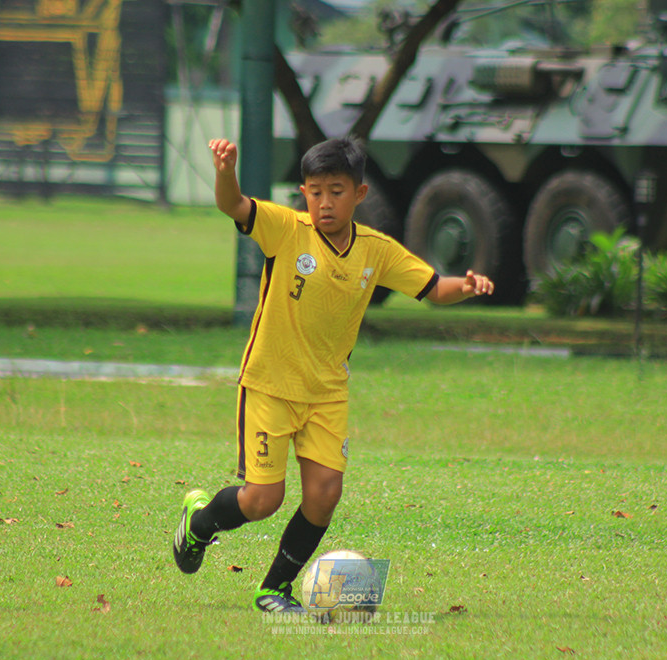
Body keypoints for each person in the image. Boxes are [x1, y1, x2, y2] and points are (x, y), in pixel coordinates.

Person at [172, 135, 495, 614]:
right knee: (263, 500)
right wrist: (225, 170)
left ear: (359, 194)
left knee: (324, 495)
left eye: (337, 191)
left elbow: (431, 287)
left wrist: (465, 287)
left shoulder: (375, 251)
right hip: (269, 384)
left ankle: (273, 590)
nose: (325, 202)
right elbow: (232, 204)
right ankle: (199, 524)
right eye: (316, 191)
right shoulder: (285, 230)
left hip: (326, 393)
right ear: (303, 192)